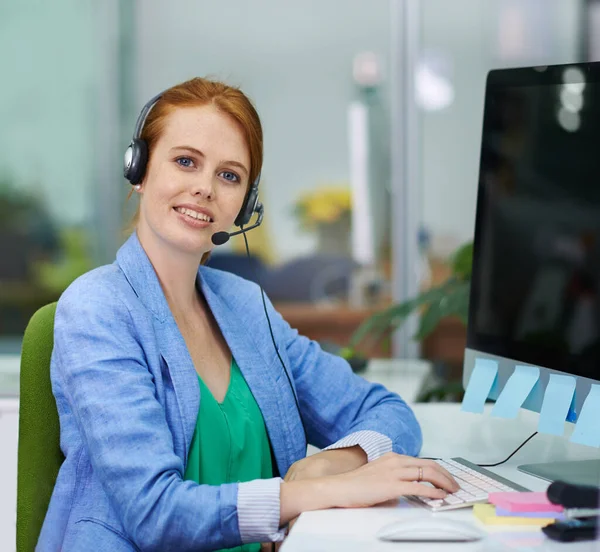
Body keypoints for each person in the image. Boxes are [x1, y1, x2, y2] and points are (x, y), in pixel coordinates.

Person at [38, 77, 459, 552]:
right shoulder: (98, 309)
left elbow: (390, 413)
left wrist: (339, 460)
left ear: (245, 204)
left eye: (229, 175)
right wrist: (315, 493)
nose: (204, 188)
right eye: (185, 161)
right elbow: (154, 513)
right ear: (138, 168)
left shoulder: (246, 308)